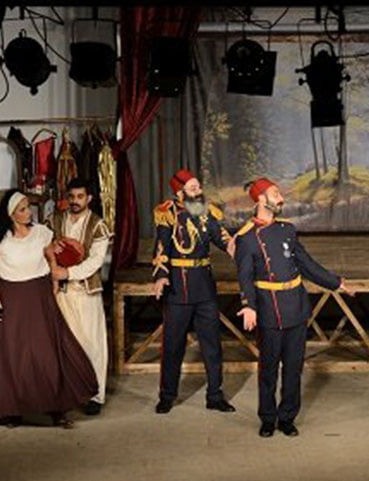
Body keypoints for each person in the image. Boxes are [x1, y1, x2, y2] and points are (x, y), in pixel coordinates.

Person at [234, 177, 353, 437]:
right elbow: (244, 277)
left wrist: (335, 282)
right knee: (268, 370)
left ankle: (287, 417)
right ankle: (268, 418)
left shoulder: (287, 229)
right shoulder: (247, 238)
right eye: (276, 194)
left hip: (296, 308)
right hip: (269, 310)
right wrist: (248, 305)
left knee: (293, 369)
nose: (281, 198)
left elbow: (306, 264)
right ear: (261, 199)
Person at [0, 190, 98, 428]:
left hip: (39, 296)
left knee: (47, 351)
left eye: (28, 207)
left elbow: (51, 258)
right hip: (12, 298)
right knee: (14, 353)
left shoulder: (41, 233)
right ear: (11, 214)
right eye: (22, 209)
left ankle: (56, 407)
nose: (28, 212)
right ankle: (13, 410)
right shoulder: (1, 239)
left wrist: (54, 280)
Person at [151, 169, 236, 414]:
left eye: (199, 186)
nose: (198, 191)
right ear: (179, 193)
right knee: (173, 346)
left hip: (205, 288)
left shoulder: (205, 211)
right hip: (178, 288)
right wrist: (161, 276)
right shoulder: (168, 213)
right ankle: (167, 395)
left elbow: (221, 238)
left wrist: (236, 247)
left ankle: (215, 395)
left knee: (212, 345)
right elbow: (161, 247)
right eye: (193, 188)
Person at [50, 179, 112, 416]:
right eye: (72, 196)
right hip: (60, 291)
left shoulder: (98, 226)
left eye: (80, 197)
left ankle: (95, 395)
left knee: (91, 343)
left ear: (89, 198)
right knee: (63, 343)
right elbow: (42, 246)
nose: (75, 201)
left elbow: (95, 262)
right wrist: (51, 250)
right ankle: (68, 393)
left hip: (86, 291)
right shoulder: (55, 220)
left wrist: (67, 273)